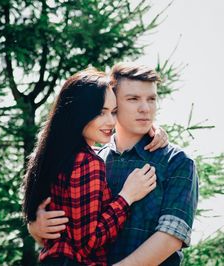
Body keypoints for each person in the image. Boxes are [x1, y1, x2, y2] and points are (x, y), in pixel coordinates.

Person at [29, 63, 199, 265]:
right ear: (112, 102)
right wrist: (35, 226)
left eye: (151, 99)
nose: (145, 108)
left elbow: (171, 238)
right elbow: (69, 231)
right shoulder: (89, 160)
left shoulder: (176, 161)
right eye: (133, 99)